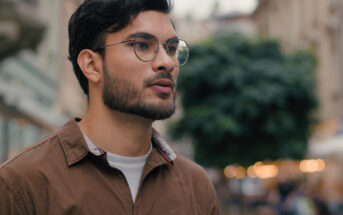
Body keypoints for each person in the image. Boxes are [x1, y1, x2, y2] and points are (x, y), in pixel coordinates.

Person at [0, 0, 219, 214]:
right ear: (92, 65)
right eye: (142, 45)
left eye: (171, 48)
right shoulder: (21, 184)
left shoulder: (196, 186)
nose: (168, 62)